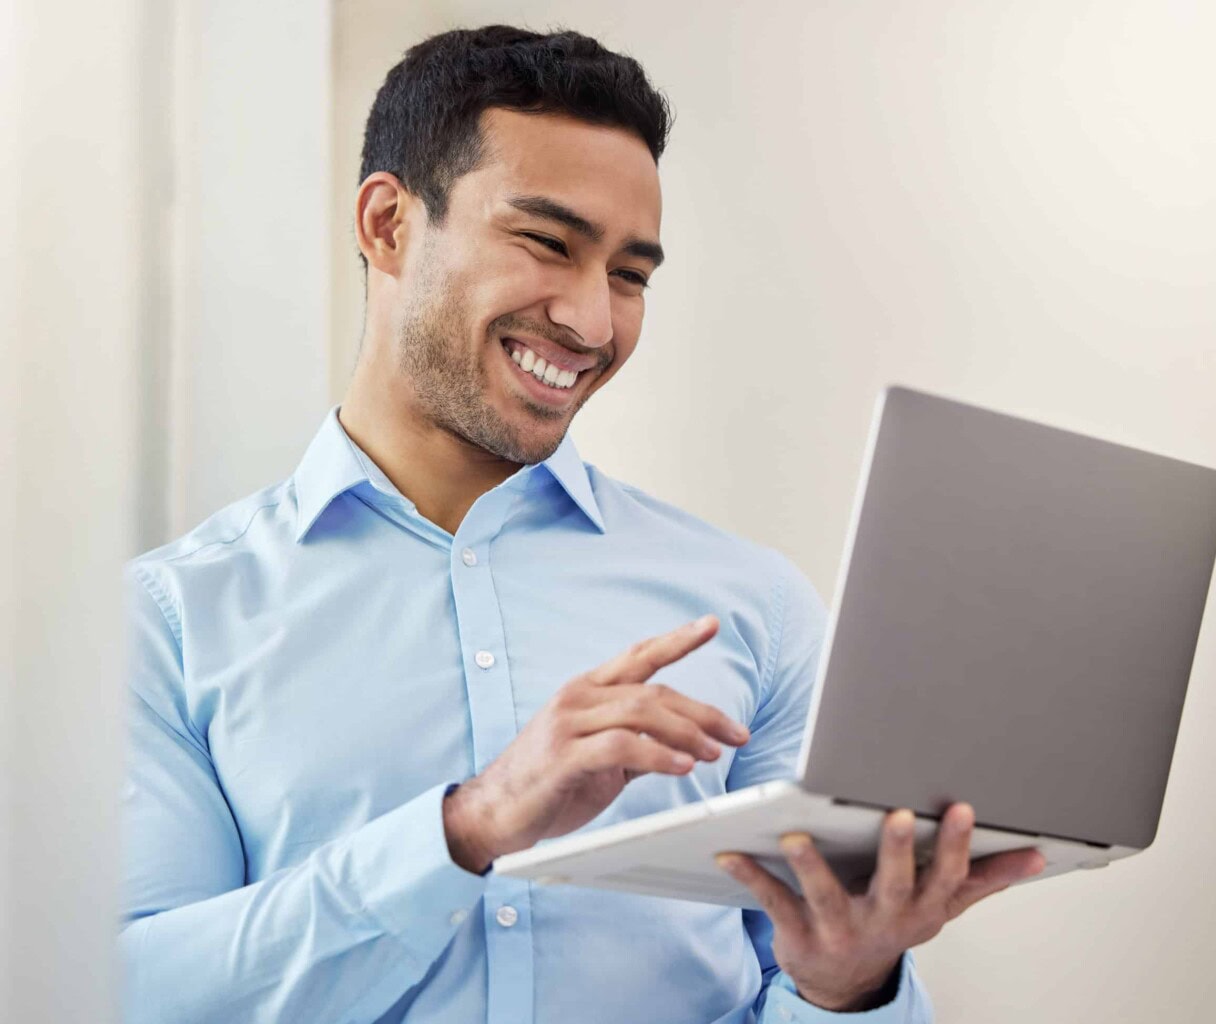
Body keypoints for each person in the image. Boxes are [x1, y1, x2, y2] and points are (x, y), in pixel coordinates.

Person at [120, 25, 1044, 1023]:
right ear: (388, 224)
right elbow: (121, 992)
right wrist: (465, 829)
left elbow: (799, 981)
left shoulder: (753, 607)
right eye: (547, 243)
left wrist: (844, 985)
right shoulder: (167, 621)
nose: (592, 322)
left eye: (629, 274)